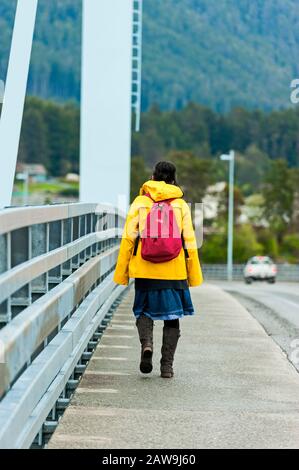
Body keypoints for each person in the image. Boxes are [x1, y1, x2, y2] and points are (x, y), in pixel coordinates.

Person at [113, 161, 203, 378]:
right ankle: (167, 367)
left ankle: (147, 345)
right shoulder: (181, 206)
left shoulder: (140, 202)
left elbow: (128, 239)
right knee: (172, 318)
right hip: (174, 270)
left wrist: (123, 272)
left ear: (152, 177)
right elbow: (190, 241)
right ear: (173, 180)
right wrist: (193, 274)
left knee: (143, 311)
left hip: (145, 269)